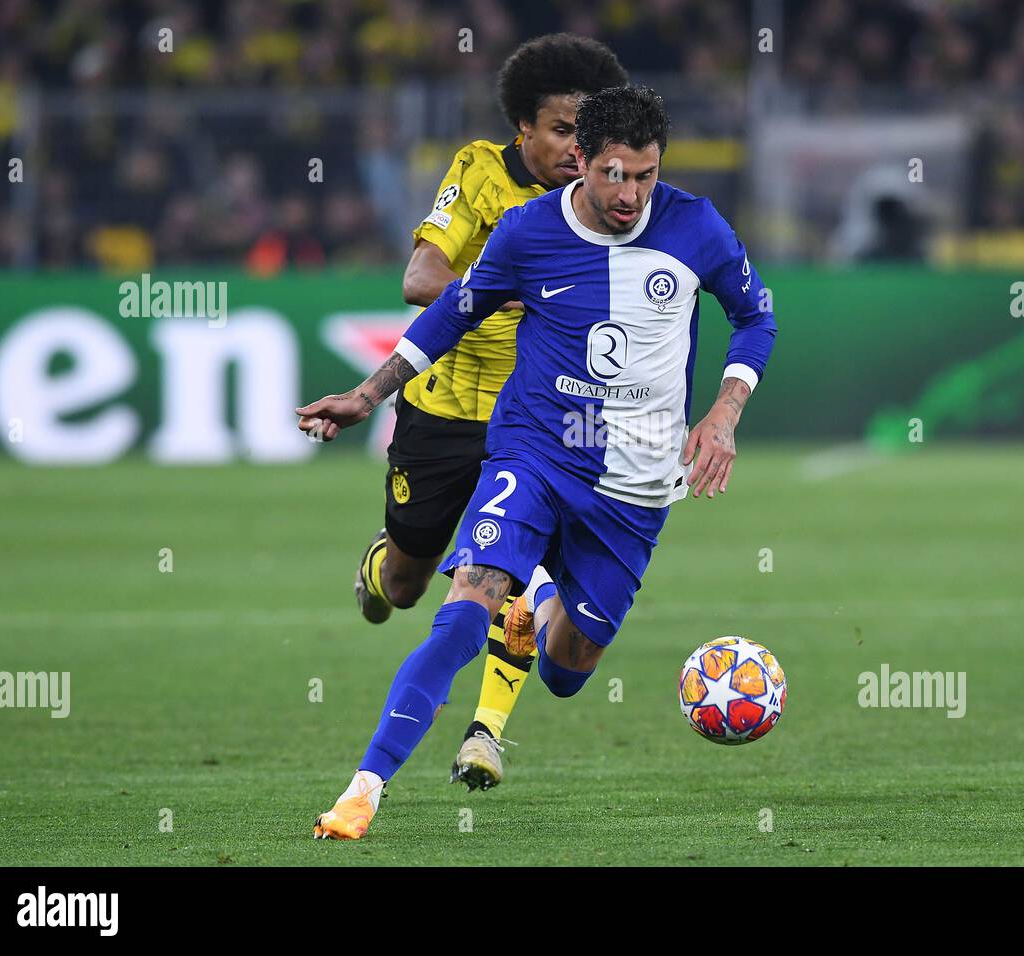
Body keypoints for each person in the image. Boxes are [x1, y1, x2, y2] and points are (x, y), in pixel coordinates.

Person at [297, 86, 776, 840]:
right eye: (614, 173)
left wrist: (723, 413)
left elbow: (755, 317)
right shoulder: (525, 232)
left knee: (566, 669)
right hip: (537, 451)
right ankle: (363, 789)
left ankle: (540, 606)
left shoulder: (697, 226)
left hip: (637, 484)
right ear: (580, 161)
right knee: (465, 604)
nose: (630, 193)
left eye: (645, 175)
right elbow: (454, 311)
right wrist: (368, 392)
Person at [355, 34, 627, 791]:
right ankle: (382, 569)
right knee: (409, 584)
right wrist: (504, 290)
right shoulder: (479, 172)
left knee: (506, 576)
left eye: (590, 131)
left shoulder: (615, 199)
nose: (580, 148)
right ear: (524, 130)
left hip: (539, 420)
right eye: (563, 130)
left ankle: (485, 734)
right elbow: (421, 276)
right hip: (443, 411)